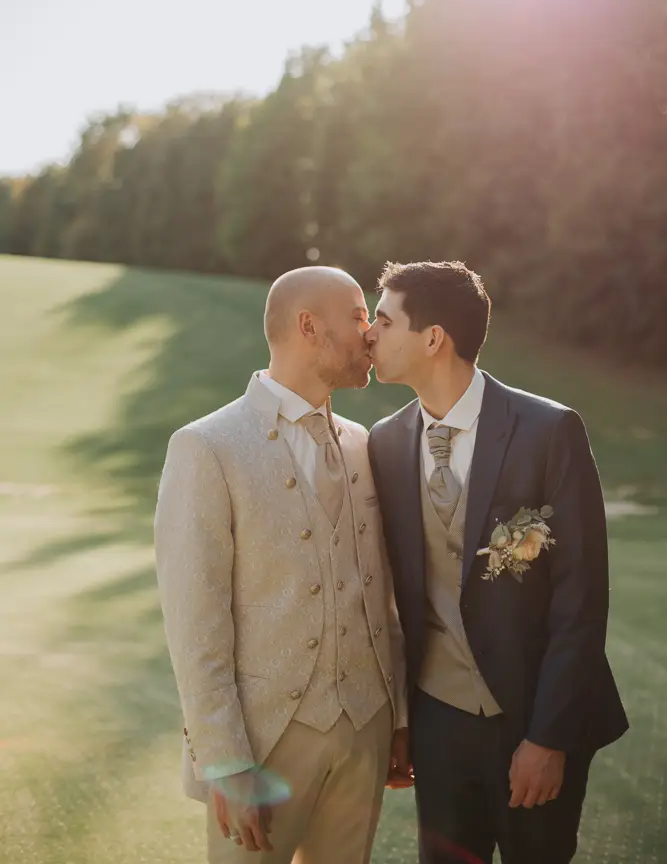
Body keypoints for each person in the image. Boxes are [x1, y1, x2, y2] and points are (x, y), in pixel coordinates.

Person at [365, 259, 628, 864]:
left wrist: (548, 737)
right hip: (439, 720)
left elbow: (581, 600)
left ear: (433, 338)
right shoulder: (383, 441)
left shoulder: (549, 430)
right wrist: (404, 721)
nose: (369, 334)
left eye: (383, 319)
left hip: (533, 718)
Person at [155, 265, 407, 864]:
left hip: (364, 734)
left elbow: (382, 594)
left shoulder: (362, 443)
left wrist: (395, 718)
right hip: (261, 746)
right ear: (307, 326)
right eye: (356, 315)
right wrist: (224, 759)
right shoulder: (207, 446)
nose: (371, 331)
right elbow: (195, 618)